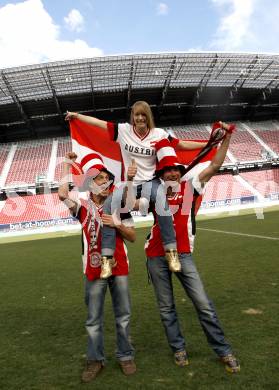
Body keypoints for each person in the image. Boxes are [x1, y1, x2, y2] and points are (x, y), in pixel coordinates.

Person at [127, 122, 240, 373]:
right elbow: (130, 204)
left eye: (175, 170)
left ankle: (223, 350)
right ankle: (178, 348)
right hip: (155, 255)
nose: (171, 174)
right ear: (160, 174)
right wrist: (130, 179)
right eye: (166, 171)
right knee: (166, 308)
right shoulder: (154, 194)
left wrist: (227, 139)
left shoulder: (191, 188)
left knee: (203, 304)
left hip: (184, 254)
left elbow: (214, 166)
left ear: (180, 171)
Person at [65, 101, 208, 278]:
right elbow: (99, 124)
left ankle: (171, 252)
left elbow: (181, 145)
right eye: (136, 114)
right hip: (129, 184)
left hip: (151, 182)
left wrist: (208, 144)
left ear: (148, 116)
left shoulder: (159, 134)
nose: (139, 118)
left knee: (162, 200)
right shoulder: (124, 130)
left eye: (143, 114)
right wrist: (78, 116)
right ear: (132, 116)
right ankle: (107, 259)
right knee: (109, 205)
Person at [58, 152, 136, 383]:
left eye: (106, 177)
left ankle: (125, 356)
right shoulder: (82, 208)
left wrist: (118, 224)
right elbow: (62, 193)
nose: (104, 181)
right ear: (91, 184)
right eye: (98, 178)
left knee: (123, 316)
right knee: (93, 319)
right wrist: (68, 164)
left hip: (119, 266)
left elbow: (132, 236)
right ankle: (95, 360)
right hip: (94, 269)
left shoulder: (119, 206)